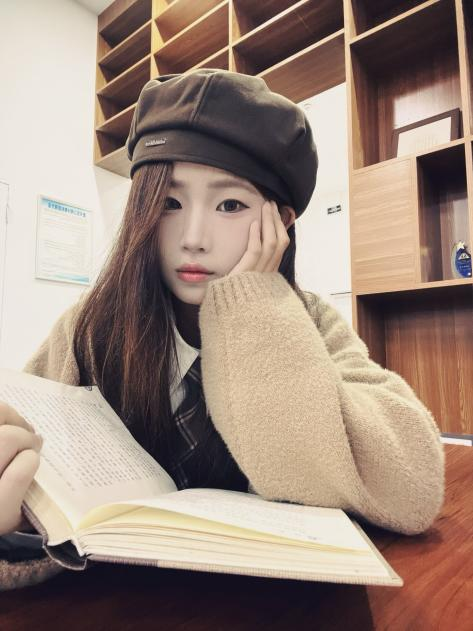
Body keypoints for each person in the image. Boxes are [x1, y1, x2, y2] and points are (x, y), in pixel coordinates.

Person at [0, 69, 445, 591]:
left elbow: (412, 489)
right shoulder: (91, 325)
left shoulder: (312, 323)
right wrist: (14, 528)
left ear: (281, 221)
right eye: (169, 203)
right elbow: (33, 475)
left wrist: (253, 307)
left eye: (229, 205)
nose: (193, 238)